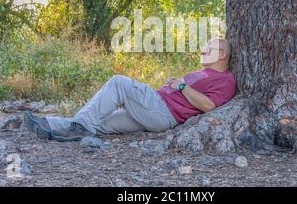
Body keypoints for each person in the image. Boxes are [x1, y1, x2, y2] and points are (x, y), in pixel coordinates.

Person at [24, 38, 237, 142]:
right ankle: (50, 125)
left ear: (222, 55)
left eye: (208, 48)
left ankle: (78, 126)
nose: (203, 50)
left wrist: (181, 85)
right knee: (101, 123)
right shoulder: (203, 72)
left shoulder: (225, 80)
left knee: (118, 82)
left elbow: (209, 106)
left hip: (162, 111)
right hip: (153, 110)